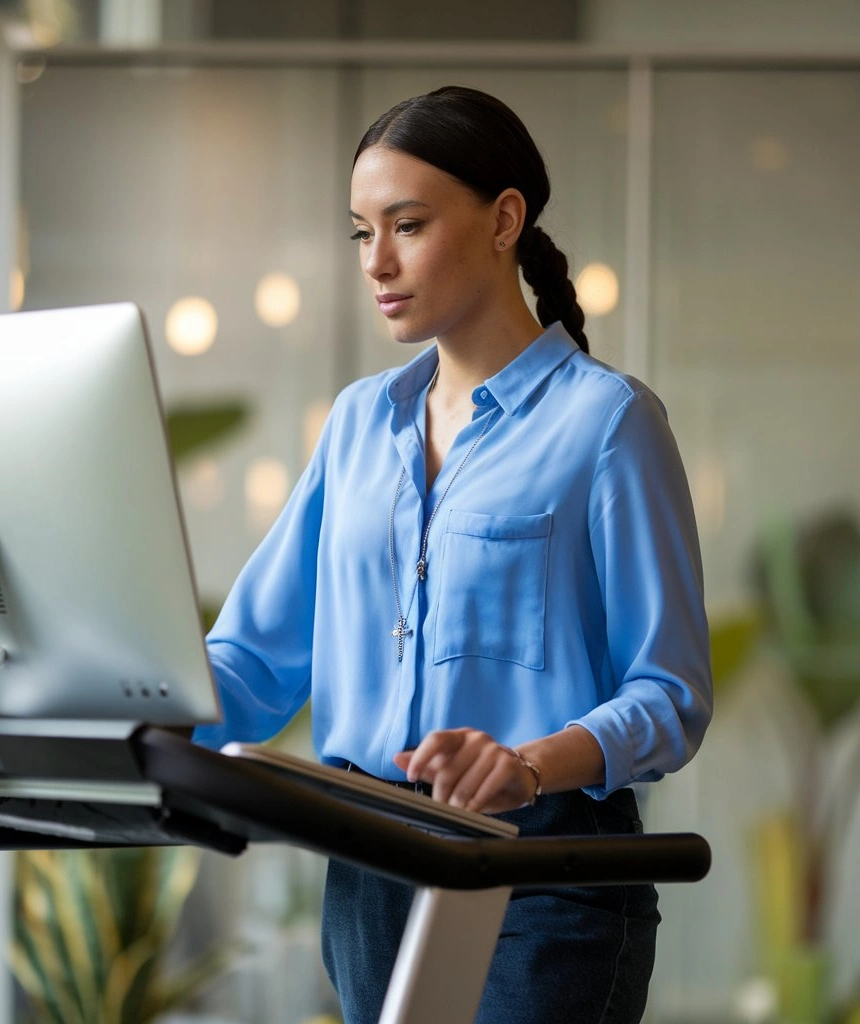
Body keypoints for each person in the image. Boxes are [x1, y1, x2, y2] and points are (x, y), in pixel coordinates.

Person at [194, 85, 713, 1024]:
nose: (377, 261)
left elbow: (669, 693)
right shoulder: (357, 424)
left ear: (505, 219)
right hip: (368, 875)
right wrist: (101, 708)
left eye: (409, 225)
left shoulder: (608, 424)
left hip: (540, 877)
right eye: (362, 233)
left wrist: (528, 763)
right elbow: (254, 661)